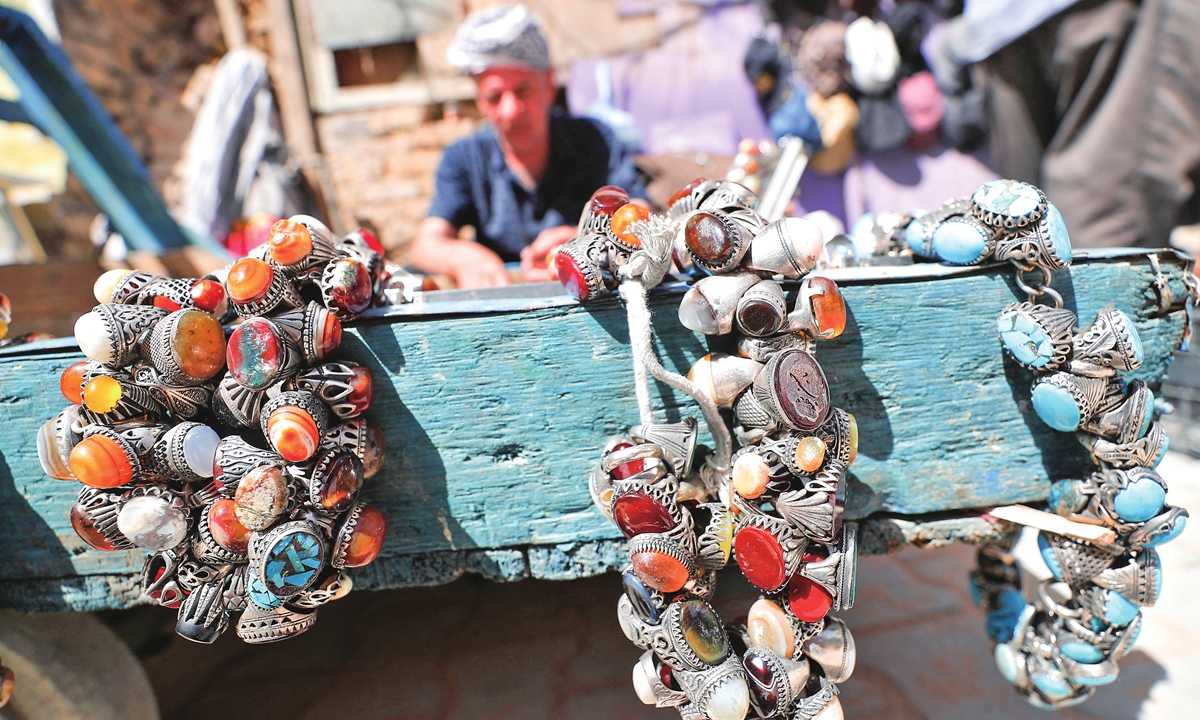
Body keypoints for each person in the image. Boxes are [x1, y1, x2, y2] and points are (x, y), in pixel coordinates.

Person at [411, 4, 647, 288]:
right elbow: (426, 243)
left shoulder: (595, 140)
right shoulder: (464, 157)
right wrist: (464, 258)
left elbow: (640, 212)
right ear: (480, 102)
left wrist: (587, 240)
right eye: (495, 97)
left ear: (549, 84)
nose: (511, 110)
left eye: (523, 90)